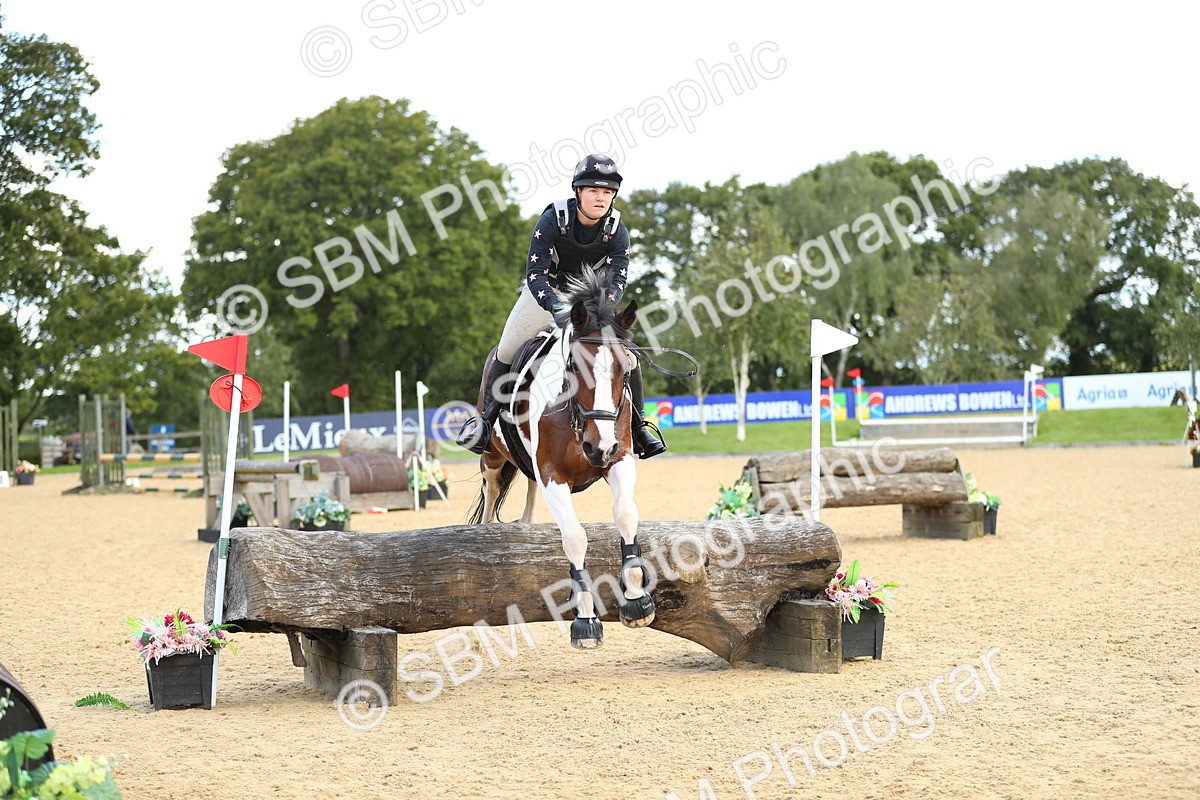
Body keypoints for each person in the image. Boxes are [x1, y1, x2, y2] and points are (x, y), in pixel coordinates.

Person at [457, 153, 667, 459]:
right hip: (545, 294)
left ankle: (639, 427)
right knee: (506, 348)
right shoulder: (553, 219)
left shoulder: (617, 230)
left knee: (629, 358)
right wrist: (556, 308)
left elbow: (617, 281)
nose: (601, 198)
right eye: (594, 190)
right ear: (578, 192)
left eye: (607, 192)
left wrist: (600, 312)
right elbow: (535, 274)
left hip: (590, 302)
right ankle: (486, 422)